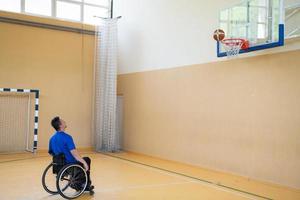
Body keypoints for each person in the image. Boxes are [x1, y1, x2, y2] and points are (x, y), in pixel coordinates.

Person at [48, 116, 94, 192]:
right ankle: (84, 185)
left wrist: (58, 159)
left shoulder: (52, 138)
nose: (64, 121)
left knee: (81, 160)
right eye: (62, 121)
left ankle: (80, 182)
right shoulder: (67, 137)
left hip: (59, 165)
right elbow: (75, 154)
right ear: (60, 125)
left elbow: (51, 152)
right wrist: (84, 163)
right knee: (86, 160)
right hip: (69, 165)